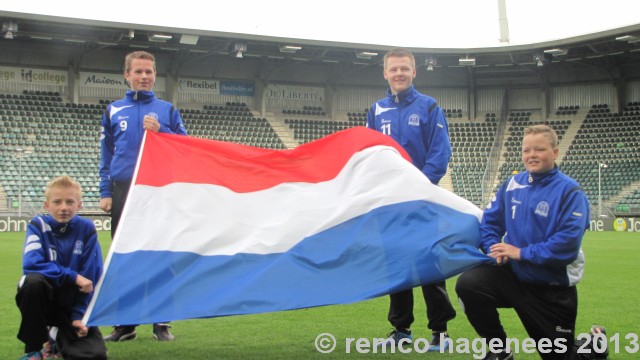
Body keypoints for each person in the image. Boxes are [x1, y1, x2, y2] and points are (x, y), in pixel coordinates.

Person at [455, 125, 607, 360]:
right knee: (469, 284)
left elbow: (566, 245)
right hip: (513, 276)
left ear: (555, 153)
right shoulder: (512, 184)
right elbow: (489, 223)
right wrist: (493, 248)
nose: (531, 155)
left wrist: (521, 253)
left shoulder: (571, 192)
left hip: (551, 286)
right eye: (526, 150)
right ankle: (499, 352)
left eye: (539, 149)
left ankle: (595, 344)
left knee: (562, 357)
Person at [366, 48, 455, 351]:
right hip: (391, 203)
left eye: (405, 68)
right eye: (394, 69)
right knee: (397, 266)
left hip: (422, 200)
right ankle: (401, 331)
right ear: (385, 73)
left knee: (430, 266)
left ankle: (440, 333)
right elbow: (370, 156)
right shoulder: (376, 111)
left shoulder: (429, 107)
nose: (399, 73)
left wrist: (419, 188)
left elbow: (439, 154)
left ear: (414, 72)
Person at [99, 50, 187, 342]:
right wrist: (105, 191)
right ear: (127, 75)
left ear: (154, 75)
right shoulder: (113, 110)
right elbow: (106, 154)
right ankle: (126, 325)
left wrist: (162, 131)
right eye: (138, 71)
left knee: (161, 255)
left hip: (159, 190)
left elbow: (185, 146)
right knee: (125, 257)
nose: (144, 76)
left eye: (149, 72)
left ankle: (162, 322)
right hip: (125, 190)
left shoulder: (167, 110)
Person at [16, 175, 107, 360]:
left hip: (73, 304)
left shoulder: (87, 229)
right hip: (45, 301)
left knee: (94, 356)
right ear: (47, 205)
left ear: (79, 206)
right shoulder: (37, 225)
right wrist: (73, 276)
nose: (63, 207)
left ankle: (56, 336)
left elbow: (90, 279)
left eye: (70, 202)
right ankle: (33, 349)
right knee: (32, 283)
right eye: (57, 202)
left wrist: (79, 315)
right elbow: (31, 264)